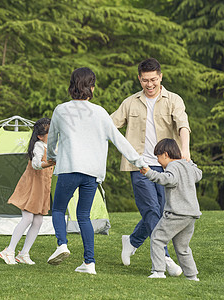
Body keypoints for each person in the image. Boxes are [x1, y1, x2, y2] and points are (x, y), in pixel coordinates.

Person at [46, 67, 147, 275]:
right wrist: (139, 161)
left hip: (69, 169)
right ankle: (89, 263)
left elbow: (52, 140)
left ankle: (62, 245)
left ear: (72, 85)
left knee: (58, 209)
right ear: (92, 87)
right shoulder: (100, 113)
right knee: (83, 216)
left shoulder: (61, 110)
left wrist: (52, 158)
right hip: (92, 173)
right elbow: (120, 141)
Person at [111, 58, 190, 276]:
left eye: (153, 79)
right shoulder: (130, 102)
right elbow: (109, 125)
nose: (149, 84)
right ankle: (163, 257)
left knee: (165, 211)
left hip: (168, 167)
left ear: (161, 77)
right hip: (140, 166)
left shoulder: (173, 100)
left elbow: (183, 125)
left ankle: (132, 241)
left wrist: (186, 150)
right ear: (139, 79)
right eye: (145, 80)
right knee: (151, 210)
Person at [140, 138, 202, 281]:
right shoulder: (187, 165)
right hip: (191, 214)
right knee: (182, 247)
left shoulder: (172, 166)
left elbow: (169, 179)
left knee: (157, 238)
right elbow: (198, 174)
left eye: (158, 157)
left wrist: (149, 173)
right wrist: (190, 162)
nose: (158, 161)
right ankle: (192, 276)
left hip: (177, 213)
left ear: (166, 154)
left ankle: (158, 272)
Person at [0, 118, 56, 265]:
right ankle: (9, 250)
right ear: (40, 136)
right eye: (50, 132)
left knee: (38, 220)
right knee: (28, 218)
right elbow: (36, 165)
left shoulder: (51, 147)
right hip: (31, 186)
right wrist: (49, 162)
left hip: (42, 188)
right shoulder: (38, 146)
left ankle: (24, 253)